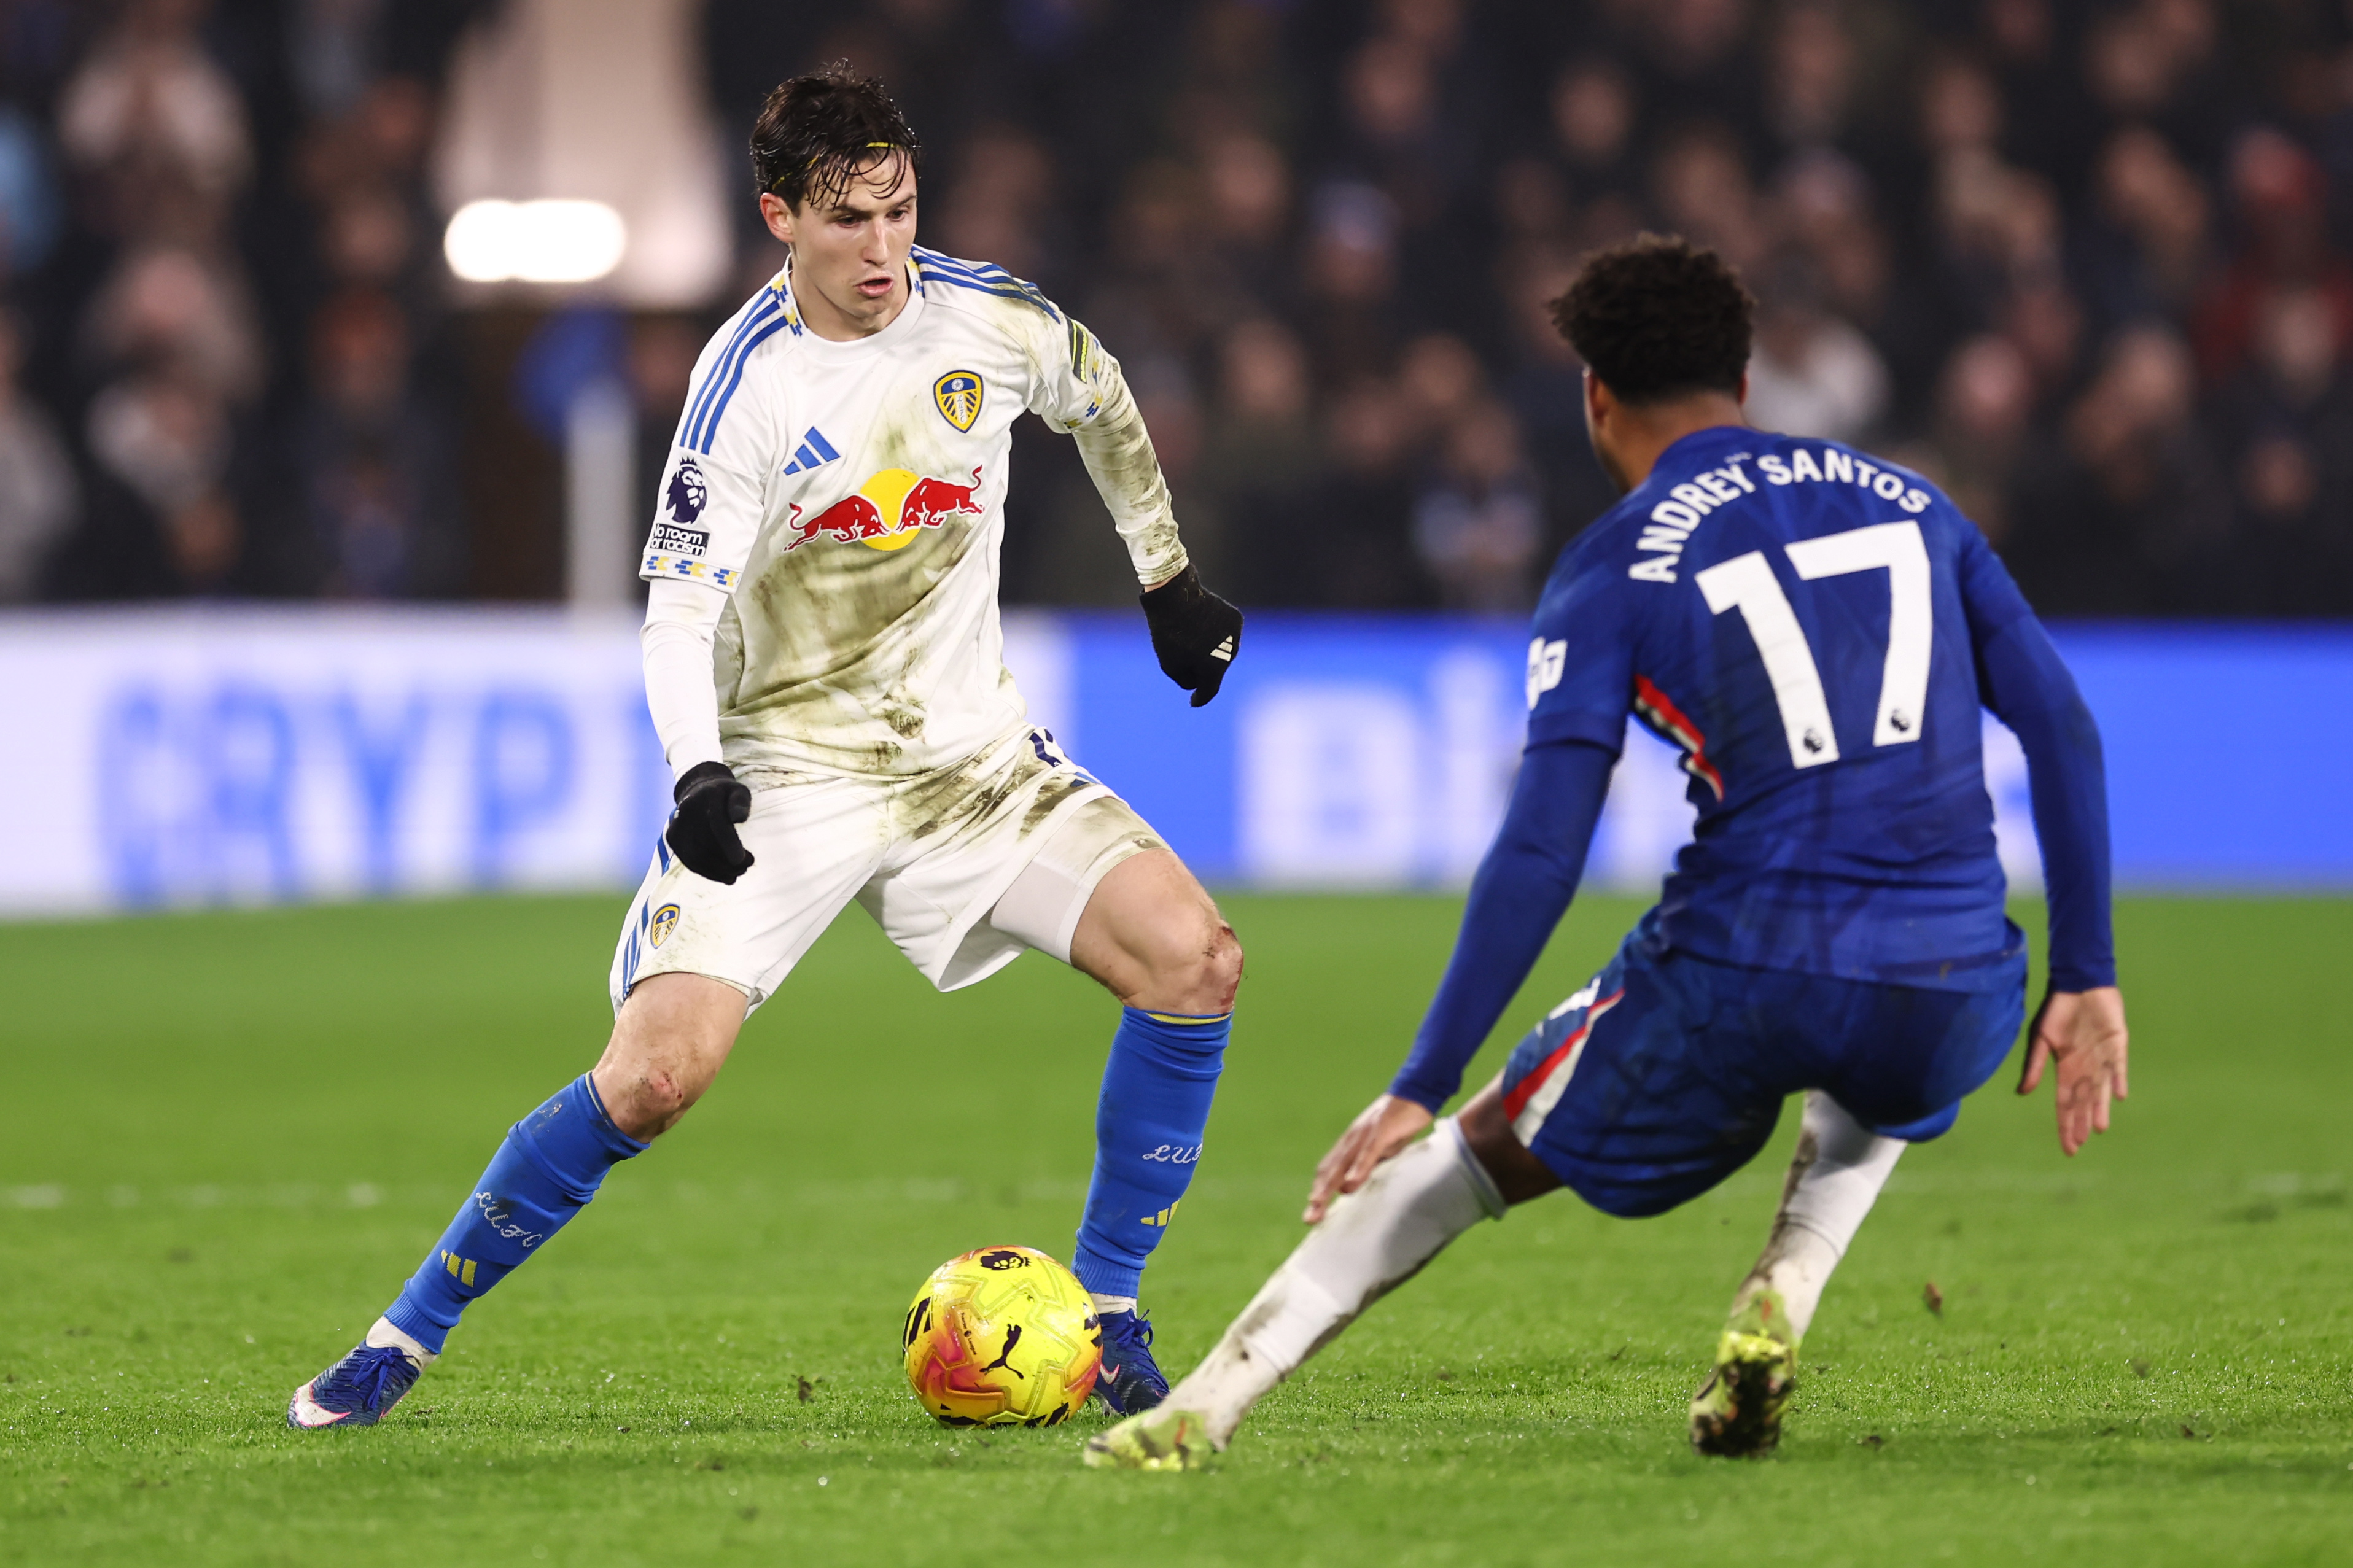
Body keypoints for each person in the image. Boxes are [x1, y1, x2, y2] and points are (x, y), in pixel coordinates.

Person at [290, 63, 1247, 1429]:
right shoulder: (743, 389)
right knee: (652, 1077)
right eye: (848, 220)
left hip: (966, 755)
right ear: (779, 217)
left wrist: (1166, 579)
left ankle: (1108, 1308)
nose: (882, 249)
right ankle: (404, 1333)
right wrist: (698, 770)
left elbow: (1097, 398)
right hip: (786, 768)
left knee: (1195, 958)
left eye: (900, 211)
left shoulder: (989, 319)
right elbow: (676, 607)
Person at [1085, 235, 2128, 1470]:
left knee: (1468, 1159)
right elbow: (2061, 721)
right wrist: (2087, 972)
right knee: (1881, 1049)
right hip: (1955, 977)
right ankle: (1777, 1297)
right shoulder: (1916, 505)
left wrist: (1421, 1077)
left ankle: (1200, 1405)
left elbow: (1543, 842)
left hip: (1741, 972)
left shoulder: (1612, 563)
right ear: (1741, 382)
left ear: (1594, 396)